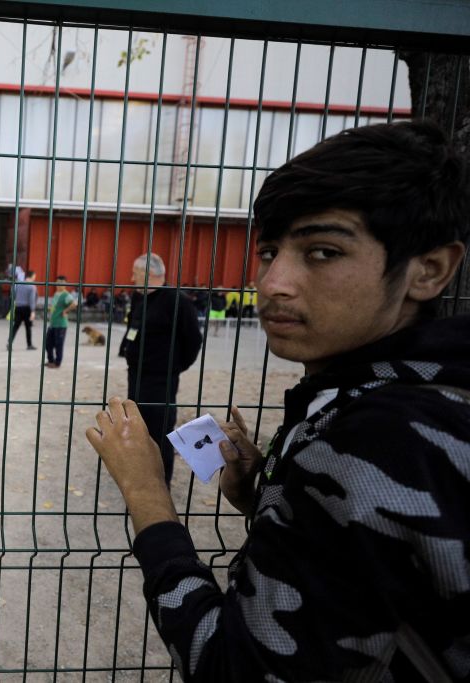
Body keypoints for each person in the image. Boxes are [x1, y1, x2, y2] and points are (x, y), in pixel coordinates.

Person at [86, 121, 470, 681]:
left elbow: (230, 668)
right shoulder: (406, 391)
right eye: (269, 251)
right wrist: (268, 493)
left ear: (428, 270)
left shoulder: (379, 437)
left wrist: (146, 492)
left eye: (322, 251)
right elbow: (369, 566)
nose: (272, 283)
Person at [119, 253, 202, 485]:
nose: (132, 278)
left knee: (159, 431)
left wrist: (174, 366)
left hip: (160, 380)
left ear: (149, 274)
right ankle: (140, 477)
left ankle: (160, 483)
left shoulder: (177, 301)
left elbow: (194, 340)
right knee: (137, 426)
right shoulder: (139, 297)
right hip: (136, 375)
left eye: (135, 274)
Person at [45, 275, 77, 369]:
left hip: (61, 324)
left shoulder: (66, 295)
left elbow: (74, 304)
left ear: (65, 284)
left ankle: (57, 363)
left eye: (61, 283)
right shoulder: (56, 293)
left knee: (59, 344)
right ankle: (51, 361)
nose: (59, 285)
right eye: (57, 283)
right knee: (48, 344)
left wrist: (65, 311)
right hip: (53, 323)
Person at [6, 270, 38, 351]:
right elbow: (32, 300)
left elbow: (13, 294)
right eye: (34, 276)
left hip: (18, 307)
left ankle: (9, 343)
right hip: (27, 308)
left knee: (15, 326)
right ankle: (29, 344)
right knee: (28, 327)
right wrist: (33, 311)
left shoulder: (19, 284)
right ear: (32, 276)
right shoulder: (32, 287)